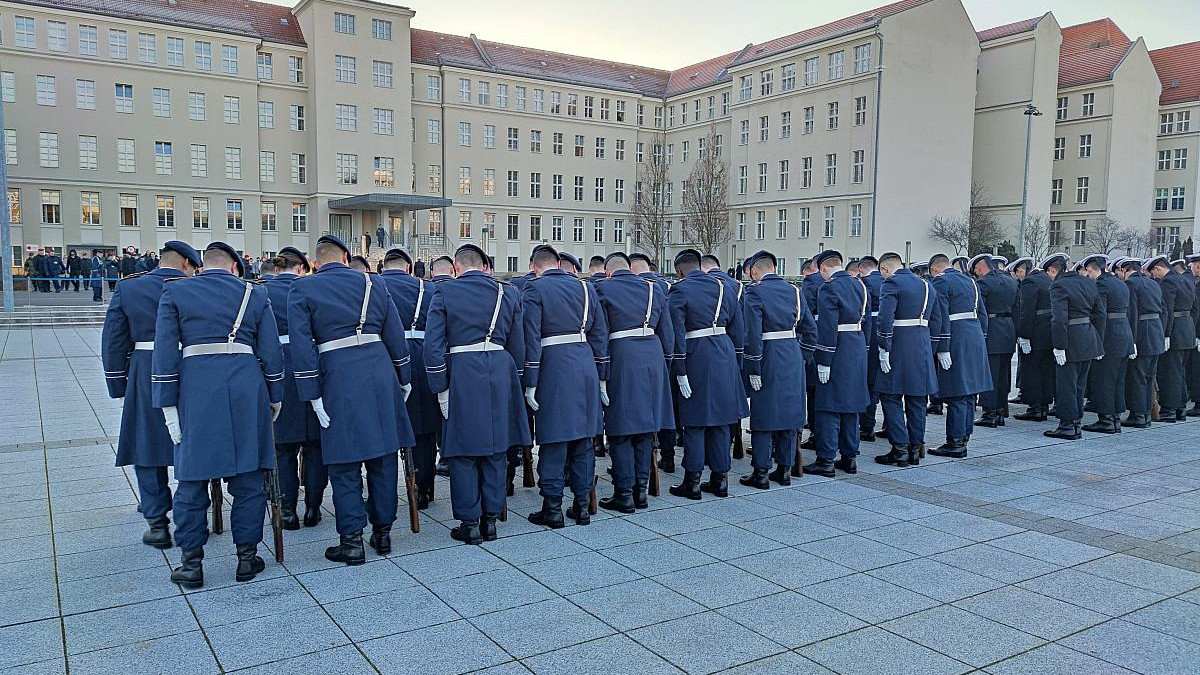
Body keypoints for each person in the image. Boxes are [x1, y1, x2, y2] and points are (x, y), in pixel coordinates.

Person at [151, 242, 284, 589]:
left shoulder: (176, 292)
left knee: (192, 481)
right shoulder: (253, 295)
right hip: (245, 385)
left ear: (201, 266)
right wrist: (275, 396)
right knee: (248, 480)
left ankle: (191, 563)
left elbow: (165, 352)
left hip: (196, 387)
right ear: (234, 267)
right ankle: (246, 558)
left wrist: (167, 405)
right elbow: (270, 351)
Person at [287, 234, 415, 565]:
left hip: (338, 375)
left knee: (344, 460)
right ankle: (383, 533)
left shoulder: (303, 288)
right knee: (384, 455)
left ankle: (352, 540)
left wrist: (310, 394)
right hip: (379, 370)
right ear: (346, 258)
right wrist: (403, 378)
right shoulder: (374, 284)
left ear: (315, 262)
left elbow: (302, 347)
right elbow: (394, 336)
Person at [424, 244, 529, 543]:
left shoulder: (444, 292)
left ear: (456, 267)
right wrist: (515, 379)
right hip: (500, 368)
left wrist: (439, 386)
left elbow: (434, 346)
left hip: (462, 370)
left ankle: (469, 523)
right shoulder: (507, 292)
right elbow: (517, 343)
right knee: (497, 447)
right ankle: (491, 520)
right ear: (485, 266)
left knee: (462, 449)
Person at [103, 241, 202, 550]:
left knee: (146, 444)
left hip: (145, 370)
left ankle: (157, 521)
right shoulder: (195, 288)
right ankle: (195, 509)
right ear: (187, 264)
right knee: (191, 440)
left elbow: (114, 341)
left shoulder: (129, 288)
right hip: (191, 369)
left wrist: (119, 386)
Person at [520, 245, 607, 526]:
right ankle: (581, 506)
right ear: (559, 263)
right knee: (583, 439)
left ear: (534, 266)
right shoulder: (585, 289)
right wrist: (601, 374)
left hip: (553, 365)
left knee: (553, 439)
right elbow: (599, 333)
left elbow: (531, 338)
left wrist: (530, 382)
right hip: (585, 363)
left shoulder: (534, 289)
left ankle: (553, 508)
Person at [594, 251, 674, 510]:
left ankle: (624, 493)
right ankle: (641, 490)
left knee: (620, 428)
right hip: (652, 355)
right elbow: (668, 335)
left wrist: (601, 373)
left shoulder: (602, 290)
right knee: (646, 429)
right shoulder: (654, 289)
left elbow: (600, 335)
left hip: (622, 356)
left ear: (608, 272)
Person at [667, 249, 747, 497]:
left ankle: (692, 481)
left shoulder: (679, 290)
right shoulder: (725, 287)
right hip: (724, 354)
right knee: (722, 420)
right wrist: (737, 364)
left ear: (679, 271)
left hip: (696, 355)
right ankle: (719, 479)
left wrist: (679, 368)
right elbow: (738, 330)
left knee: (694, 421)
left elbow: (675, 333)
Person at [739, 250, 816, 488]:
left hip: (768, 354)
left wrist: (752, 366)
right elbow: (810, 330)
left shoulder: (754, 292)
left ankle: (761, 471)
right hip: (791, 352)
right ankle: (784, 468)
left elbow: (752, 334)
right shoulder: (795, 291)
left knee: (764, 413)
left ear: (754, 271)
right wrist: (802, 356)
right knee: (790, 412)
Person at [264, 247, 328, 530]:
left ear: (277, 269)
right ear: (302, 268)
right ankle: (313, 508)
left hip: (278, 372)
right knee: (315, 446)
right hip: (312, 368)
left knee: (283, 448)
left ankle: (287, 510)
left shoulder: (261, 291)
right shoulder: (312, 289)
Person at [378, 247, 439, 509]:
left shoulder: (374, 286)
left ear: (383, 267)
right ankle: (423, 488)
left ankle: (385, 491)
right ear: (408, 267)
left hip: (386, 358)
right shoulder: (428, 288)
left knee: (386, 429)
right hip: (421, 358)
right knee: (424, 430)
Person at [804, 250, 870, 476]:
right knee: (851, 405)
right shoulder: (860, 286)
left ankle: (826, 459)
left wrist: (824, 359)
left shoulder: (829, 288)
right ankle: (849, 456)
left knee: (828, 406)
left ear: (823, 269)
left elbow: (827, 327)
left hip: (838, 348)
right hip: (857, 346)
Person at [873, 253, 943, 467]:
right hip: (921, 343)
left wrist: (884, 347)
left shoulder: (892, 283)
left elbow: (886, 317)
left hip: (899, 344)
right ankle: (915, 448)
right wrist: (931, 347)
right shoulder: (926, 284)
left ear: (885, 269)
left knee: (890, 396)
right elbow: (937, 319)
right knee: (917, 399)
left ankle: (900, 448)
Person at [924, 253, 988, 458]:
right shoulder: (971, 281)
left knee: (957, 392)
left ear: (934, 270)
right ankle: (964, 436)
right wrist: (980, 339)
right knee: (969, 393)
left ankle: (955, 442)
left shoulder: (941, 282)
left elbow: (940, 316)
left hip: (955, 337)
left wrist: (942, 346)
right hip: (974, 336)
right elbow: (982, 315)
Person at [1040, 253, 1105, 439]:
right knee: (1079, 384)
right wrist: (1098, 341)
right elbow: (1100, 314)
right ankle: (1076, 422)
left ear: (1053, 270)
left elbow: (1059, 319)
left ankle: (1067, 425)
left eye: (1049, 274)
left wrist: (1059, 345)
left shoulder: (1059, 285)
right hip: (1088, 337)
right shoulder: (1088, 282)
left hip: (1070, 339)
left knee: (1066, 384)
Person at [631, 252, 679, 471]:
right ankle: (667, 455)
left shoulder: (637, 288)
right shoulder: (666, 286)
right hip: (661, 355)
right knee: (665, 412)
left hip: (642, 357)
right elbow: (668, 330)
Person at [1082, 255, 1134, 433]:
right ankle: (1115, 418)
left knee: (1104, 379)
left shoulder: (1100, 285)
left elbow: (1100, 315)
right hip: (1124, 334)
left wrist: (1098, 342)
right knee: (1118, 379)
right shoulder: (1120, 283)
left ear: (1091, 269)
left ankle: (1105, 419)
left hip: (1109, 336)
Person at [971, 253, 1019, 427]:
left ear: (980, 267)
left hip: (991, 330)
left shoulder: (983, 283)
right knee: (1003, 374)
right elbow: (1017, 310)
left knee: (989, 373)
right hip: (1008, 330)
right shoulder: (1012, 282)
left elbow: (980, 312)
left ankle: (989, 412)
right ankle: (1000, 409)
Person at [1149, 254, 1196, 423]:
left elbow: (1166, 310)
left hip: (1175, 330)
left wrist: (1165, 334)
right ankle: (1180, 408)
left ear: (1159, 268)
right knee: (1180, 372)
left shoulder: (1168, 282)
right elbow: (1195, 308)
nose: (1155, 277)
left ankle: (1169, 409)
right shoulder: (1186, 280)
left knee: (1169, 372)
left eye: (1154, 274)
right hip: (1187, 329)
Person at [1121, 257, 1165, 428]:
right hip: (1156, 331)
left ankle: (1138, 415)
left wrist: (1131, 339)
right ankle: (1146, 413)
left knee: (1138, 376)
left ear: (1125, 270)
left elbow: (1132, 313)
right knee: (1148, 376)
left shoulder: (1131, 284)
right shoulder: (1153, 283)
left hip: (1142, 332)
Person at [1013, 255, 1054, 421]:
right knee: (1045, 371)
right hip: (1049, 332)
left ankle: (1035, 408)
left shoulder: (1030, 283)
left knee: (1032, 371)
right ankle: (1044, 406)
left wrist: (1024, 335)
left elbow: (1027, 312)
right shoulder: (1046, 279)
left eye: (1018, 274)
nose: (1018, 277)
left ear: (1022, 270)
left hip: (1036, 333)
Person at [798, 258, 824, 449]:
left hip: (812, 339)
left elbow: (803, 314)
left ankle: (816, 432)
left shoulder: (810, 284)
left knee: (812, 390)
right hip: (835, 341)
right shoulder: (832, 282)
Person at [857, 255, 884, 441]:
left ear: (861, 269)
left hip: (871, 332)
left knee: (869, 382)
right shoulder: (888, 281)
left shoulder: (863, 284)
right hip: (891, 333)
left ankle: (867, 426)